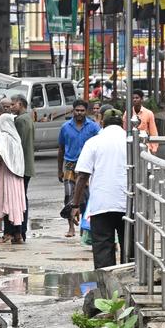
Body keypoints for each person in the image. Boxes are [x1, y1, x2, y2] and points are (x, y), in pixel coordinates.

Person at [71, 108, 127, 269]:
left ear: (102, 122)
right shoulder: (133, 141)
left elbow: (82, 176)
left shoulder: (93, 142)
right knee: (129, 248)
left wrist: (75, 205)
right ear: (123, 123)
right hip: (129, 203)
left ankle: (106, 283)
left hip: (101, 204)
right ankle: (130, 279)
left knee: (103, 248)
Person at [57, 99, 100, 239]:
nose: (79, 113)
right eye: (77, 110)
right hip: (70, 165)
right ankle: (71, 227)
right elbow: (61, 149)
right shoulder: (65, 127)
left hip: (87, 166)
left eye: (82, 111)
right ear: (73, 110)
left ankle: (84, 227)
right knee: (69, 195)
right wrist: (59, 170)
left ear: (86, 112)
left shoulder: (93, 127)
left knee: (85, 197)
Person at [0, 113, 27, 245]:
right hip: (17, 176)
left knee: (7, 203)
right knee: (15, 205)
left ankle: (7, 233)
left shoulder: (3, 137)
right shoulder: (16, 138)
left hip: (6, 176)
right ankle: (17, 234)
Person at [11, 94, 36, 243]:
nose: (11, 107)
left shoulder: (20, 120)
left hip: (21, 166)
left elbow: (17, 144)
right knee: (22, 197)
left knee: (20, 199)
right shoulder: (28, 118)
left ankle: (20, 231)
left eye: (13, 104)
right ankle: (21, 231)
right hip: (27, 164)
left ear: (20, 104)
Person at [129, 89, 160, 153]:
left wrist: (154, 148)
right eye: (133, 98)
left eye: (137, 98)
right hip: (131, 145)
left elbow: (153, 131)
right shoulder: (127, 113)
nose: (134, 100)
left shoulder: (148, 113)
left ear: (142, 99)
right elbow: (125, 129)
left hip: (145, 145)